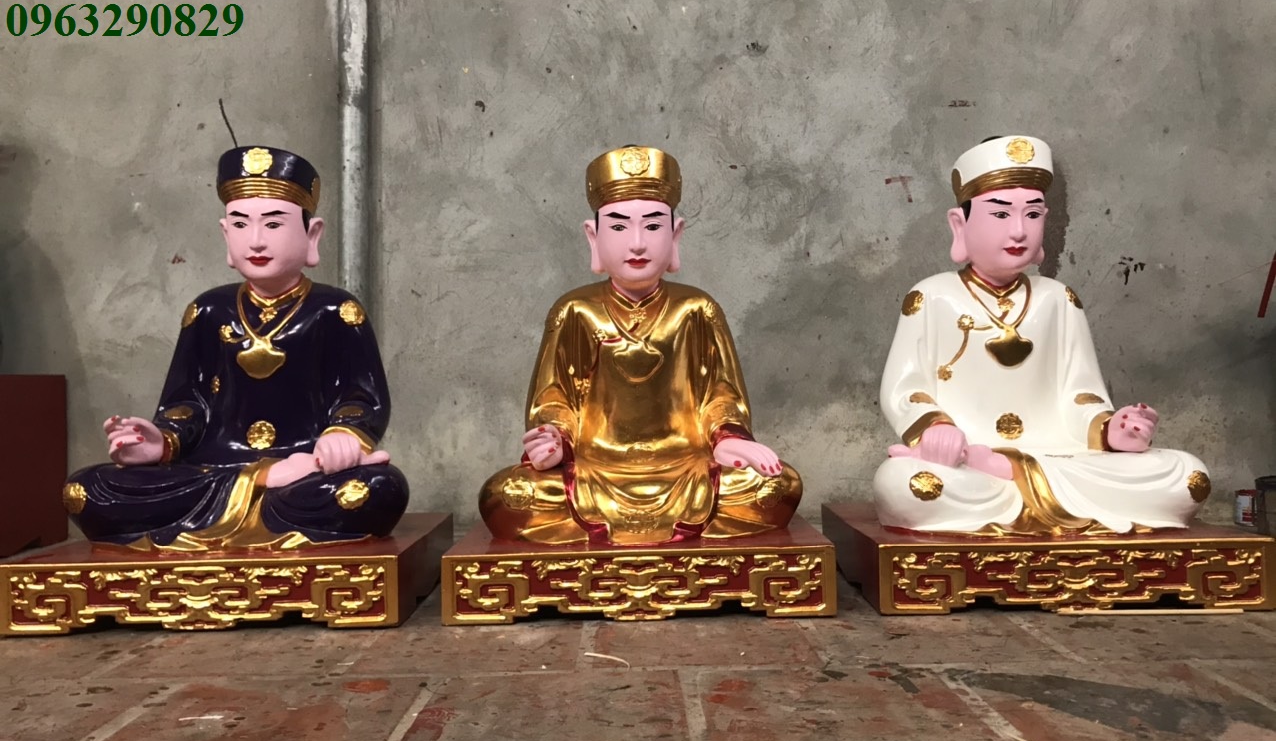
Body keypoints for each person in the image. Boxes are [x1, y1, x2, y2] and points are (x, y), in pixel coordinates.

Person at [62, 145, 408, 550]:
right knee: (87, 490)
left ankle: (254, 497)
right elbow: (187, 404)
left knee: (377, 488)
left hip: (306, 469)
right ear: (226, 235)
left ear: (312, 234)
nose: (256, 241)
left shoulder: (335, 311)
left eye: (273, 224)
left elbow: (360, 398)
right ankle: (259, 490)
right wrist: (162, 441)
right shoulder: (208, 311)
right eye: (241, 225)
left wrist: (341, 437)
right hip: (214, 469)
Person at [873, 135, 1209, 535]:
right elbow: (906, 390)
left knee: (1186, 475)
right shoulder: (931, 296)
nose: (1019, 231)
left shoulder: (1059, 299)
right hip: (965, 460)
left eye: (1032, 215)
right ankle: (1001, 471)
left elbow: (1081, 395)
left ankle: (1008, 470)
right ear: (959, 224)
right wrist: (936, 428)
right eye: (1001, 214)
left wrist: (1111, 430)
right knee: (908, 485)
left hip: (1060, 456)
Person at [479, 145, 801, 544]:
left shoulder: (697, 309)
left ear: (675, 235)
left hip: (687, 468)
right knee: (506, 497)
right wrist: (554, 440)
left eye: (652, 227)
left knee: (778, 486)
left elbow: (720, 395)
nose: (636, 243)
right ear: (593, 237)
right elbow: (555, 398)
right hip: (595, 470)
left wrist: (728, 439)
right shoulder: (575, 310)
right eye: (618, 228)